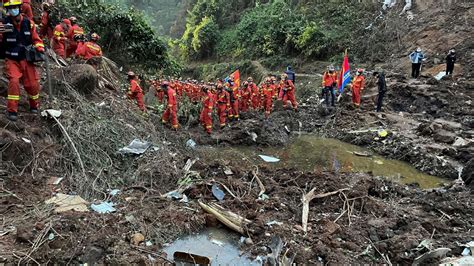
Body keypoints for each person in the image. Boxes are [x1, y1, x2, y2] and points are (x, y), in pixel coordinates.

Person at [1, 0, 45, 121]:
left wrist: (39, 47)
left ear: (19, 7)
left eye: (14, 7)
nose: (12, 10)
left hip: (26, 59)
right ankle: (12, 111)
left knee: (32, 84)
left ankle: (34, 105)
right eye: (9, 8)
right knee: (14, 82)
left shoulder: (28, 23)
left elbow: (36, 39)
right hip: (12, 59)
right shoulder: (3, 24)